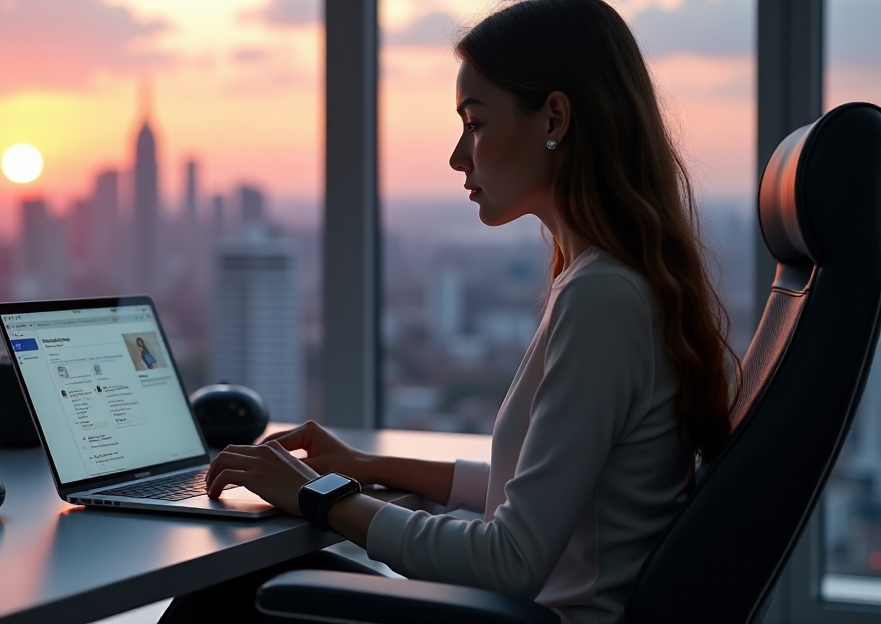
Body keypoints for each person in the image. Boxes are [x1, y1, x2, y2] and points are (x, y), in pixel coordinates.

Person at [160, 1, 740, 623]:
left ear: (554, 117)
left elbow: (510, 558)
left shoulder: (603, 297)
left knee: (223, 597)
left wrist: (317, 496)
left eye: (475, 122)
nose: (458, 156)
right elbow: (538, 489)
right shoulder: (616, 281)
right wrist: (364, 466)